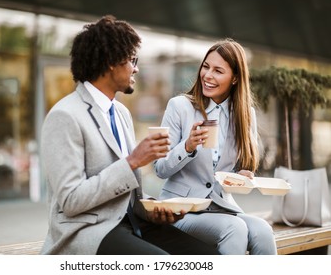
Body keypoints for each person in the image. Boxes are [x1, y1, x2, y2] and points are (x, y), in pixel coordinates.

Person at [39, 15, 219, 255]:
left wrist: (152, 210)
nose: (136, 68)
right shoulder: (64, 116)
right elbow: (71, 201)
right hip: (87, 232)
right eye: (132, 60)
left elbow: (128, 197)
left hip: (129, 224)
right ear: (111, 61)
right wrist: (134, 160)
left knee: (209, 256)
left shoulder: (121, 112)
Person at [153, 38, 277, 255]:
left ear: (235, 78)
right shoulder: (180, 107)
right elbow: (160, 168)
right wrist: (188, 146)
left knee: (263, 231)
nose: (208, 75)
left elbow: (230, 172)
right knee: (235, 228)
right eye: (206, 67)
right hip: (182, 210)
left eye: (218, 71)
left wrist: (241, 177)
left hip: (222, 207)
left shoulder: (246, 115)